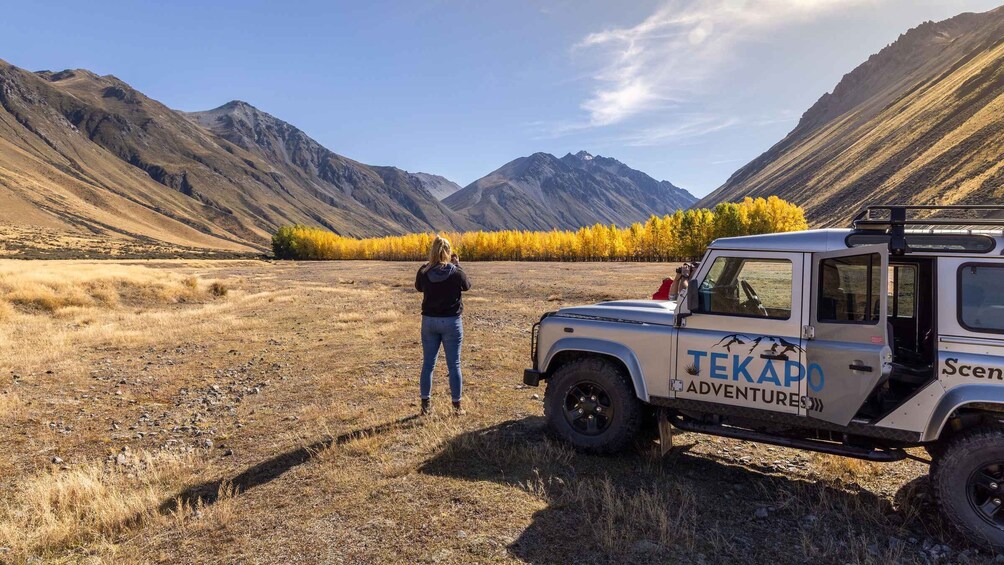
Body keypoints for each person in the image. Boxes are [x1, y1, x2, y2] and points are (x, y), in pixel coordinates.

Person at [415, 236, 471, 415]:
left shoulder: (424, 272)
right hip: (451, 322)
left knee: (428, 364)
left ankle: (426, 406)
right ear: (448, 252)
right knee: (454, 365)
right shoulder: (456, 272)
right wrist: (458, 265)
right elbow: (467, 286)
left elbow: (418, 287)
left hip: (429, 321)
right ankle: (456, 407)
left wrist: (428, 265)